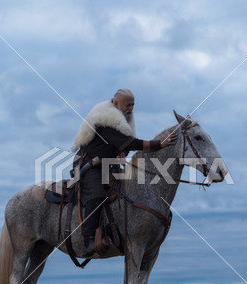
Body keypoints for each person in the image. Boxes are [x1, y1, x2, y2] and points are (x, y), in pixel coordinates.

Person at [71, 89, 177, 256]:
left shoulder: (124, 119)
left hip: (107, 165)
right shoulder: (105, 119)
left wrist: (121, 153)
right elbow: (129, 143)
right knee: (97, 195)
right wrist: (158, 144)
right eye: (128, 105)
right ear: (116, 103)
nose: (131, 108)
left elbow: (121, 146)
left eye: (133, 104)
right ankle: (88, 239)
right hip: (89, 164)